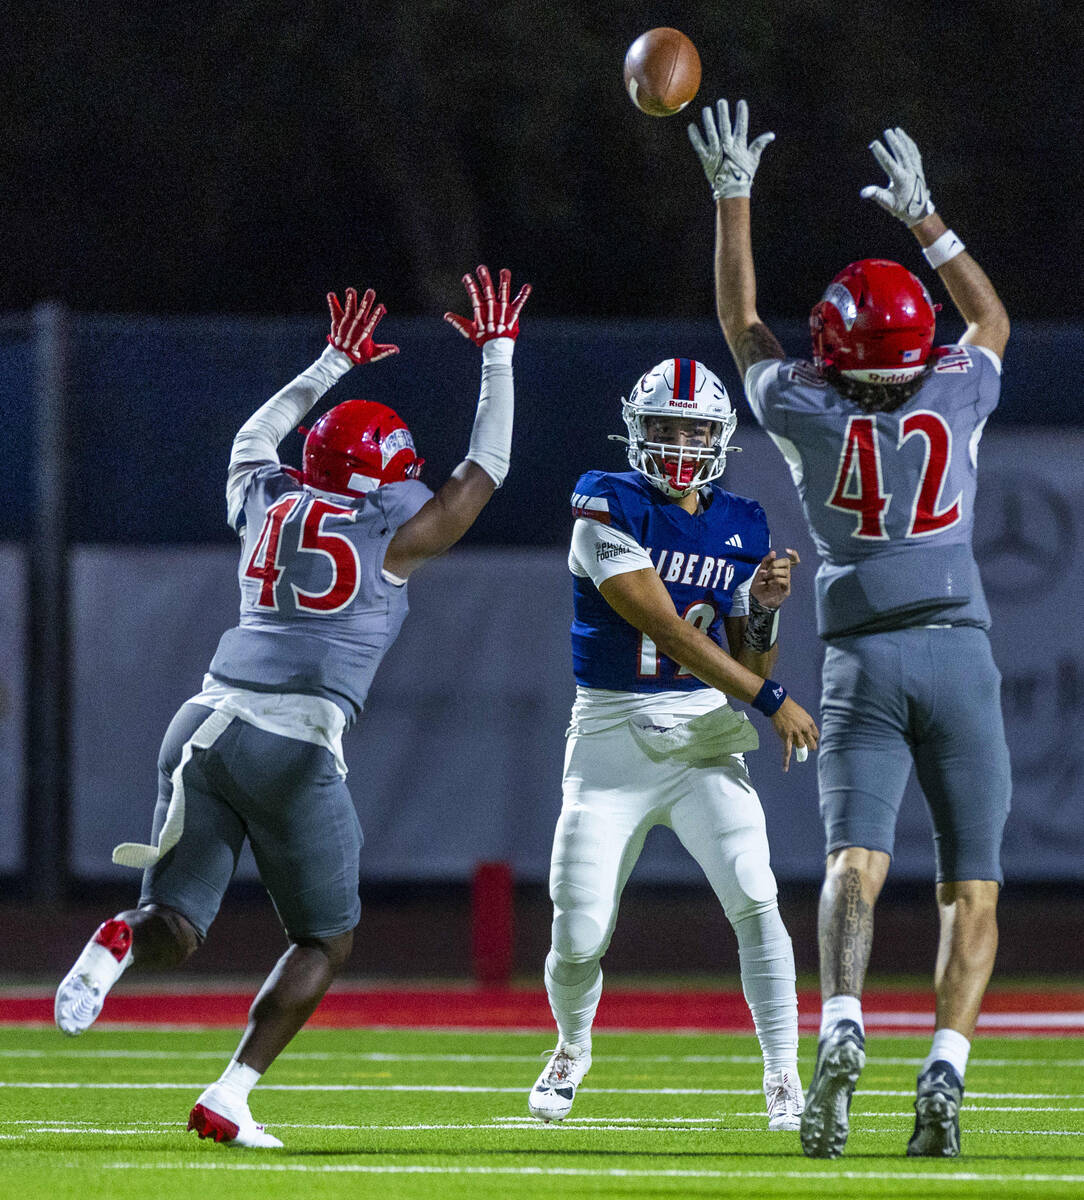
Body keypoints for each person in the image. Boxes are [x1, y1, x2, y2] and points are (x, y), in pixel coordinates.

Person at [54, 267, 531, 1148]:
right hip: (294, 744)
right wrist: (497, 355)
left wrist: (329, 362)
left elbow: (251, 438)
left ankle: (119, 938)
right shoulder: (389, 533)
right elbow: (486, 468)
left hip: (200, 726)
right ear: (381, 480)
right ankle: (232, 1092)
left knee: (177, 924)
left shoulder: (267, 498)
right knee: (325, 939)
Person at [689, 100, 1012, 1159]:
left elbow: (744, 329)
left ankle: (840, 1022)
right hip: (957, 649)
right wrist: (929, 222)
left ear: (831, 346)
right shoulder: (955, 392)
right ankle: (945, 1068)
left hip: (861, 656)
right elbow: (989, 324)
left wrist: (731, 198)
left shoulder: (804, 405)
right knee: (970, 884)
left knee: (850, 864)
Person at [527, 356, 820, 1131]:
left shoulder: (741, 521)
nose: (680, 444)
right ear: (637, 430)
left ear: (720, 436)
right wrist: (774, 700)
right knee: (578, 927)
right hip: (611, 736)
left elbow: (742, 659)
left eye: (694, 430)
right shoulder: (606, 500)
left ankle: (784, 1074)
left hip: (702, 739)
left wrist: (760, 611)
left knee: (757, 896)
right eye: (665, 428)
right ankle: (572, 1044)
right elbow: (662, 626)